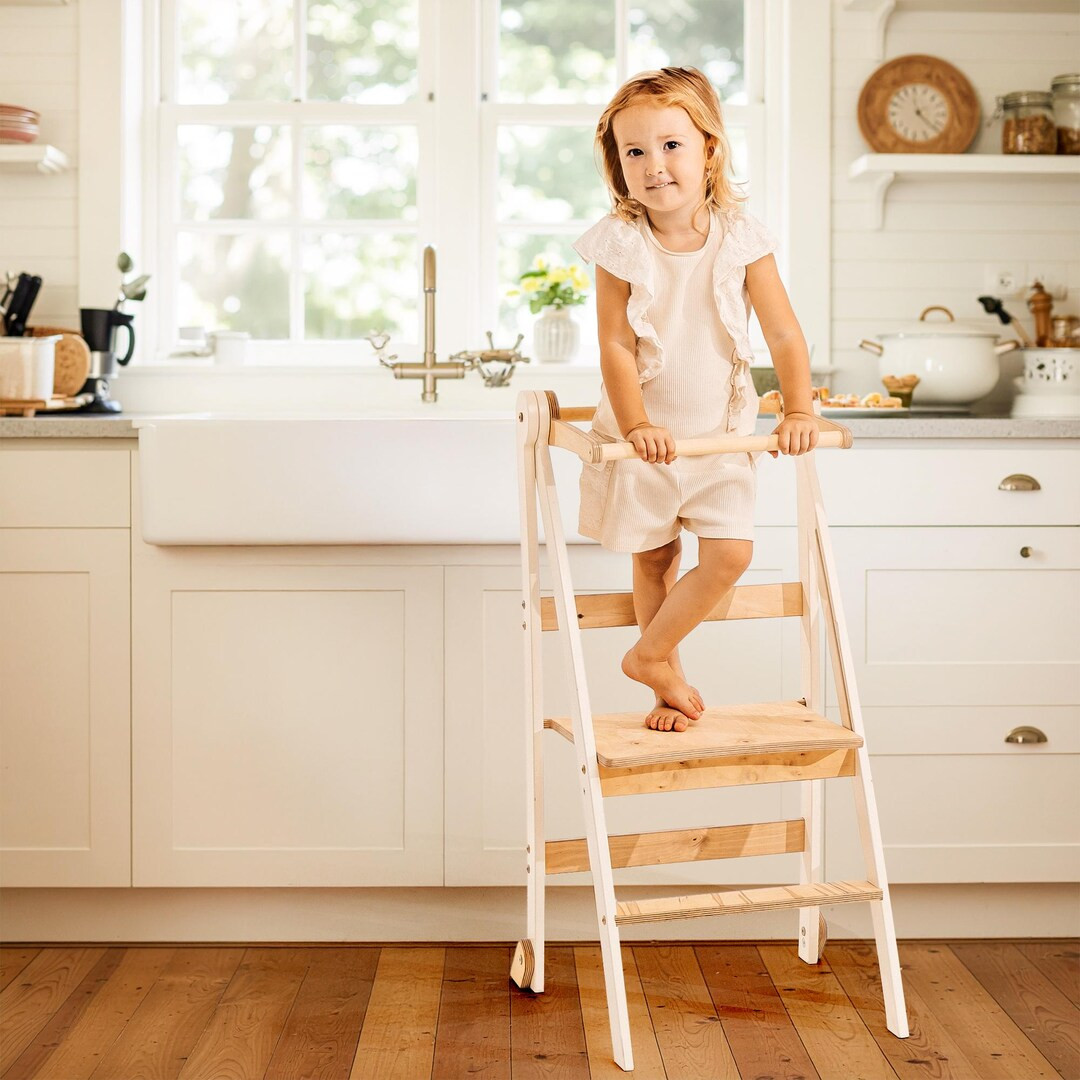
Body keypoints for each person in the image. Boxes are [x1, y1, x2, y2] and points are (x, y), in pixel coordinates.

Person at [572, 66, 818, 734]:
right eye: (635, 151)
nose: (655, 165)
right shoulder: (620, 242)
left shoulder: (742, 238)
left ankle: (647, 655)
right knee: (655, 558)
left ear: (709, 149)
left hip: (721, 438)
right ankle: (666, 688)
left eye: (671, 145)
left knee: (730, 556)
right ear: (618, 164)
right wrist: (636, 424)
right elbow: (615, 344)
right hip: (648, 438)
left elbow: (783, 332)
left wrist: (798, 409)